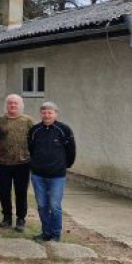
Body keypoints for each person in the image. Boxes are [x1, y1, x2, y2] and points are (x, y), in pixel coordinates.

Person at [28, 102, 76, 242]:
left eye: (50, 112)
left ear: (56, 114)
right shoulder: (35, 130)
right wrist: (35, 165)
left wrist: (65, 166)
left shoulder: (64, 130)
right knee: (42, 206)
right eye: (44, 112)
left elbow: (71, 151)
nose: (47, 115)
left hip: (57, 176)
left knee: (55, 206)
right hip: (38, 175)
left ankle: (55, 234)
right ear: (41, 114)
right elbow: (31, 148)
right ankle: (46, 233)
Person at [0, 94, 34, 232]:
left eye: (15, 103)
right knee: (4, 192)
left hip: (22, 163)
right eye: (10, 103)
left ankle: (21, 219)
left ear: (21, 105)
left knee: (21, 193)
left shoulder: (28, 121)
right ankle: (6, 218)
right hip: (3, 163)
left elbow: (34, 140)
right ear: (6, 105)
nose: (12, 105)